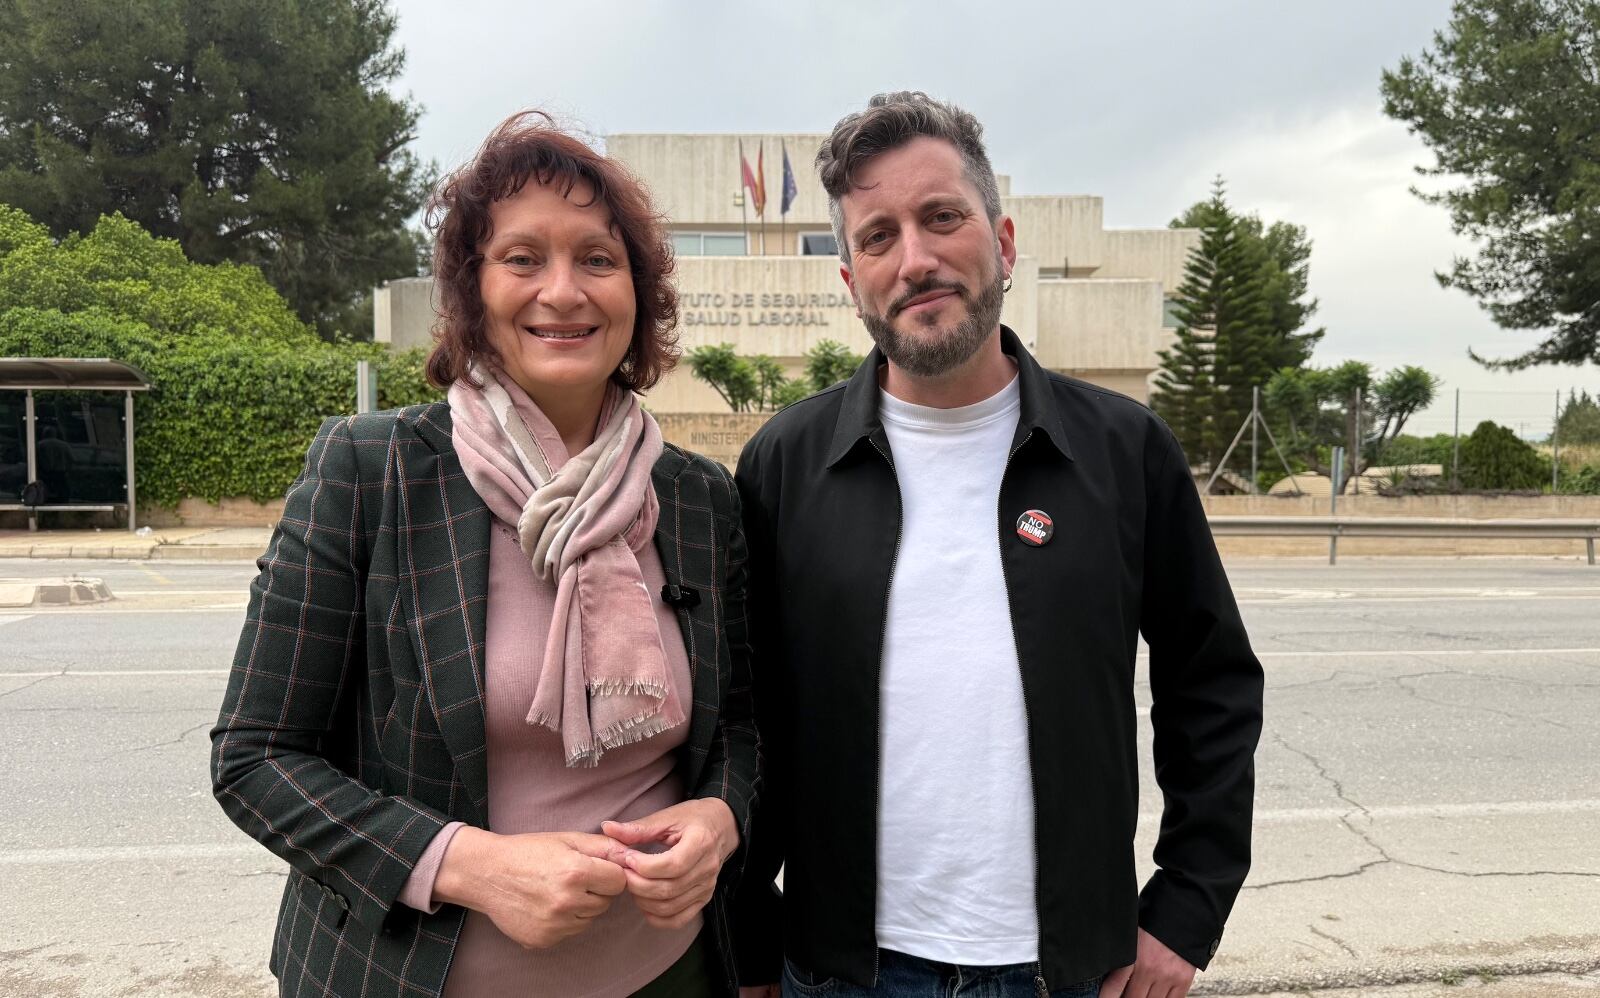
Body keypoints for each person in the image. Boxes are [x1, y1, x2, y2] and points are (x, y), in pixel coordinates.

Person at [211, 111, 758, 998]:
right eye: (522, 258)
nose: (564, 291)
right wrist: (464, 864)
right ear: (472, 290)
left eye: (597, 258)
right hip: (406, 977)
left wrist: (721, 816)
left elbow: (739, 724)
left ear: (638, 293)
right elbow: (255, 758)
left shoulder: (697, 497)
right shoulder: (371, 469)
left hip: (670, 974)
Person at [731, 92, 1263, 998]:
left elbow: (1209, 683)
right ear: (850, 277)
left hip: (1070, 969)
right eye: (878, 236)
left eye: (943, 218)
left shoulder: (1123, 453)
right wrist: (747, 937)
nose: (917, 259)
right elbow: (741, 718)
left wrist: (1185, 908)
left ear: (1004, 242)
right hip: (839, 971)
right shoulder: (785, 464)